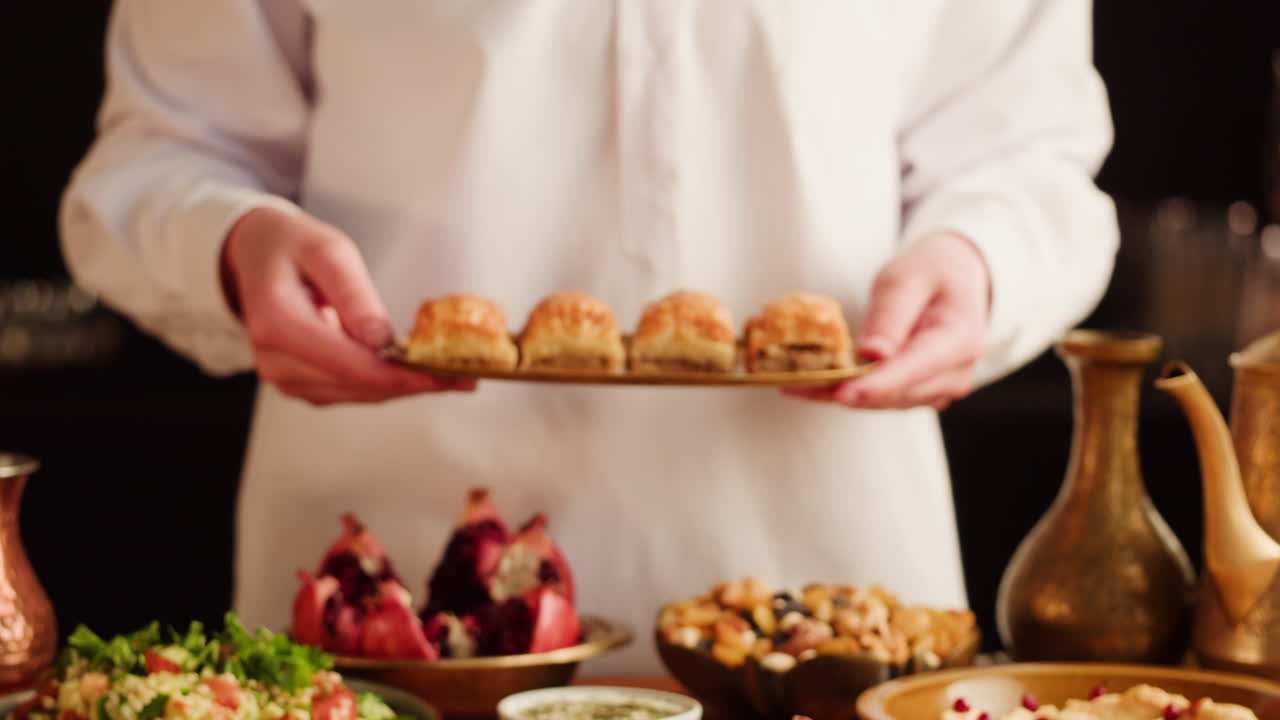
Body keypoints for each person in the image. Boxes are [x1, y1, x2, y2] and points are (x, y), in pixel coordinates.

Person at [59, 1, 1117, 673]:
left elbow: (1029, 158)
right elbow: (154, 157)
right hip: (390, 613)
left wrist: (982, 260)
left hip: (831, 605)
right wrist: (225, 243)